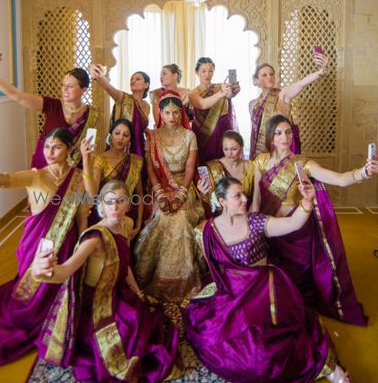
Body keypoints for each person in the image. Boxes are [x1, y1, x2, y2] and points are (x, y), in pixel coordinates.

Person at [184, 177, 354, 383]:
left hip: (265, 291)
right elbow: (214, 269)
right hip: (232, 294)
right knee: (214, 339)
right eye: (237, 196)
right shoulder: (207, 231)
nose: (245, 199)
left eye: (244, 194)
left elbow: (291, 224)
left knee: (268, 348)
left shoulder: (255, 222)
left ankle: (329, 369)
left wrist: (307, 202)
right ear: (222, 201)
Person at [0, 128, 89, 373]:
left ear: (69, 149)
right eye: (46, 147)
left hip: (67, 246)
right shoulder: (35, 176)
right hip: (37, 247)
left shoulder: (79, 177)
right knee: (28, 303)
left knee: (61, 292)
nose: (50, 152)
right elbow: (2, 181)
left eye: (57, 147)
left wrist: (79, 245)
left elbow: (82, 216)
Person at [32, 180, 179, 383]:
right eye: (109, 202)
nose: (115, 208)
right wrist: (41, 272)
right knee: (130, 333)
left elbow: (125, 264)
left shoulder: (126, 224)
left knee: (142, 318)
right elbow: (65, 271)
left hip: (119, 292)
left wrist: (137, 292)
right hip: (97, 302)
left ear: (129, 204)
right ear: (101, 205)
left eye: (120, 201)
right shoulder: (94, 238)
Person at [251, 114, 378, 325]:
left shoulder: (302, 163)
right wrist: (252, 227)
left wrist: (364, 172)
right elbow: (256, 200)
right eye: (278, 133)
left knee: (296, 287)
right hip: (269, 229)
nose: (284, 137)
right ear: (270, 136)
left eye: (287, 132)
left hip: (296, 234)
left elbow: (339, 179)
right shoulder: (260, 161)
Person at [134, 90, 206, 302]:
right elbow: (150, 167)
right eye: (167, 112)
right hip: (160, 186)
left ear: (181, 113)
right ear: (161, 114)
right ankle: (155, 277)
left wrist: (181, 193)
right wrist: (160, 193)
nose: (172, 116)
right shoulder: (152, 137)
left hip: (184, 185)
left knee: (182, 219)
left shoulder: (189, 135)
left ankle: (184, 280)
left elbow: (191, 167)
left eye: (176, 112)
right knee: (163, 217)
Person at [0, 56, 98, 168]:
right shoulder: (51, 105)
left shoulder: (90, 114)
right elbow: (18, 96)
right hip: (45, 164)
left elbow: (88, 147)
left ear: (84, 90)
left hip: (72, 168)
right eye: (63, 85)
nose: (64, 89)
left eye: (70, 86)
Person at [249, 51, 329, 159]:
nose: (270, 77)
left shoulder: (283, 94)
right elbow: (254, 134)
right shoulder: (253, 104)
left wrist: (321, 71)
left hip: (282, 150)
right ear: (256, 80)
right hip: (261, 154)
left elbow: (301, 83)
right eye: (264, 75)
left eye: (272, 74)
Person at [81, 118, 144, 232]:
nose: (120, 137)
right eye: (117, 133)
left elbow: (139, 195)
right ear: (110, 136)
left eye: (126, 135)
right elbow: (92, 193)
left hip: (127, 216)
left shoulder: (136, 161)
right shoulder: (100, 159)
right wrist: (86, 162)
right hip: (104, 215)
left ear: (130, 140)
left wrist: (138, 224)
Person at [90, 64, 150, 159]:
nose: (133, 81)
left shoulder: (147, 106)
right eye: (131, 79)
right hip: (122, 148)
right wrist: (97, 73)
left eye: (137, 79)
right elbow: (108, 87)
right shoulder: (123, 98)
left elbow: (140, 127)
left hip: (139, 149)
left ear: (146, 85)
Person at [189, 57, 240, 164]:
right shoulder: (193, 93)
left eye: (210, 70)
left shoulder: (219, 87)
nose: (207, 74)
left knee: (225, 161)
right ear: (196, 72)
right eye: (203, 71)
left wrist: (234, 90)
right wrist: (221, 93)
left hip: (222, 128)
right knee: (205, 163)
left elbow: (230, 95)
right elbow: (202, 104)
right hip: (203, 133)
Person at [196, 131, 255, 207]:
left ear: (242, 147)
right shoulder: (213, 168)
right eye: (226, 149)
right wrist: (203, 193)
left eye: (233, 149)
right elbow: (211, 201)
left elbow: (256, 195)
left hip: (246, 210)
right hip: (223, 213)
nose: (229, 153)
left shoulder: (250, 166)